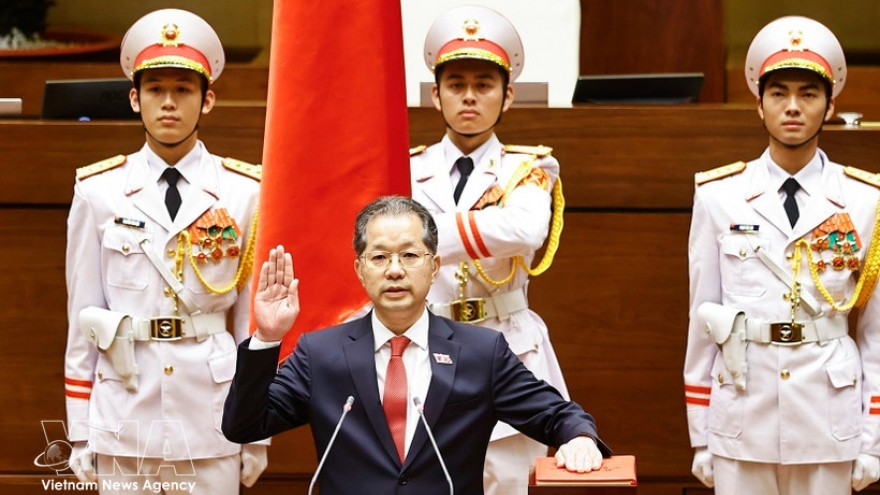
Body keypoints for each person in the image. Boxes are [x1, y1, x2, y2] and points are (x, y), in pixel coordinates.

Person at [222, 195, 611, 494]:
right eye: (379, 257)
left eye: (409, 255)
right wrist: (267, 338)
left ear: (435, 267)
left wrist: (579, 438)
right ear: (359, 269)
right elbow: (244, 425)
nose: (395, 270)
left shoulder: (481, 352)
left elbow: (556, 414)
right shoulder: (320, 354)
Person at [63, 9, 267, 493]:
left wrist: (257, 431)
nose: (169, 102)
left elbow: (251, 324)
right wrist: (80, 430)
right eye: (155, 89)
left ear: (207, 99)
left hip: (212, 417)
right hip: (124, 410)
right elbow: (83, 317)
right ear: (135, 98)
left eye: (183, 89)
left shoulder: (244, 191)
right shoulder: (99, 191)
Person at [684, 16, 880, 495]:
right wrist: (701, 435)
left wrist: (873, 440)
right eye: (778, 93)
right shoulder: (718, 195)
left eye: (808, 94)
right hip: (742, 412)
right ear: (759, 104)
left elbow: (876, 332)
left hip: (828, 417)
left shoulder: (865, 200)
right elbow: (702, 320)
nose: (793, 106)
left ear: (830, 106)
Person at [409, 6, 569, 494]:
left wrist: (415, 234)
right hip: (424, 347)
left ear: (507, 95)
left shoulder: (530, 167)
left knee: (509, 483)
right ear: (436, 95)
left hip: (509, 347)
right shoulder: (404, 168)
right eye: (456, 84)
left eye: (484, 84)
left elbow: (524, 230)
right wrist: (484, 226)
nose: (469, 96)